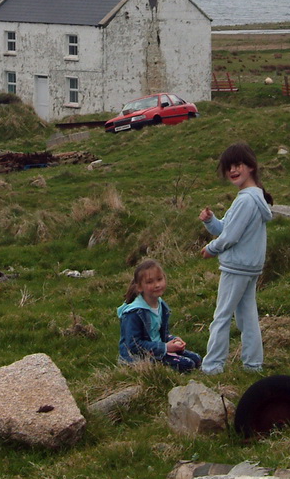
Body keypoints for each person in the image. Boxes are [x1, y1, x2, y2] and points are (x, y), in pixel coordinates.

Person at [198, 142, 274, 374]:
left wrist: (211, 249)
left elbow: (229, 237)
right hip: (250, 267)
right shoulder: (253, 197)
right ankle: (253, 365)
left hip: (236, 267)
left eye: (238, 165)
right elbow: (226, 229)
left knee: (221, 317)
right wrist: (210, 221)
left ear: (251, 167)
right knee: (247, 318)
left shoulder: (245, 200)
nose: (233, 170)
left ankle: (212, 367)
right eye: (229, 167)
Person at [116, 259, 201, 372]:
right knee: (187, 364)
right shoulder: (134, 313)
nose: (157, 285)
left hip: (158, 349)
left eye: (159, 279)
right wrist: (165, 347)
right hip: (139, 358)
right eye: (150, 282)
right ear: (140, 287)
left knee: (197, 359)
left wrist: (173, 340)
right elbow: (134, 345)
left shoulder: (161, 305)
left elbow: (158, 333)